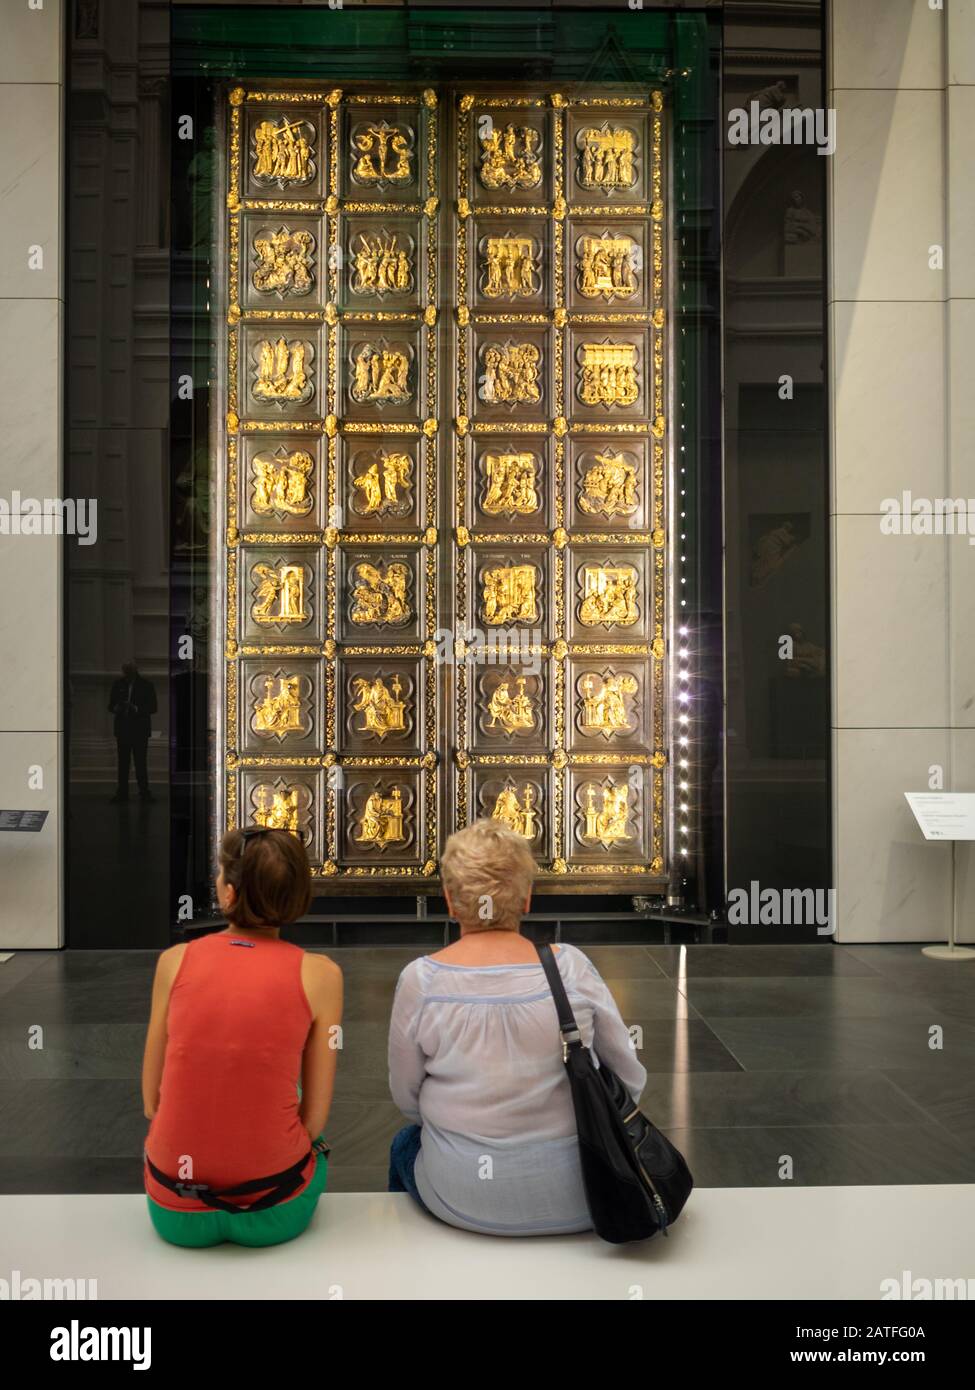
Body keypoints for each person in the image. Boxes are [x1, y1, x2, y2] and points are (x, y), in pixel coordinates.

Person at [387, 819, 646, 1235]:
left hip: (461, 1197)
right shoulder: (571, 967)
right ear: (526, 898)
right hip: (586, 1192)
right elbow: (629, 1079)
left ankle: (409, 1251)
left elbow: (406, 1096)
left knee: (404, 1143)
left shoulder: (421, 980)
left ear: (450, 901)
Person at [141, 827, 342, 1248]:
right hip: (275, 1208)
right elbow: (314, 1120)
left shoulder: (174, 962)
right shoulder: (322, 975)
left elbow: (151, 1102)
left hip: (173, 1209)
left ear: (229, 893)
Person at [108, 660, 158, 803]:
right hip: (124, 729)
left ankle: (143, 792)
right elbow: (110, 705)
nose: (127, 674)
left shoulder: (146, 685)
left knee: (140, 762)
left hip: (139, 730)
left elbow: (153, 707)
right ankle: (124, 793)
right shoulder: (118, 684)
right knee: (124, 763)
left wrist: (135, 709)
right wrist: (117, 708)